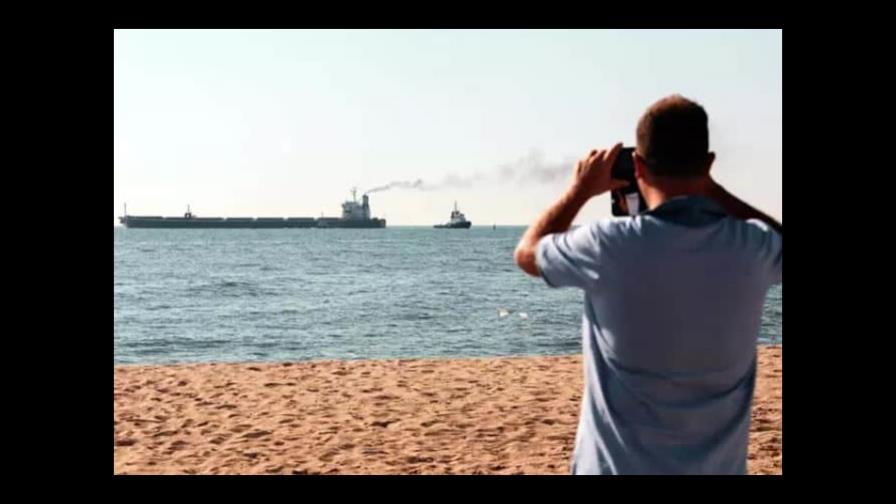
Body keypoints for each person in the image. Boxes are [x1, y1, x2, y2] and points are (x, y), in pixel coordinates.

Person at [513, 95, 782, 474]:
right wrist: (710, 189)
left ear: (638, 166)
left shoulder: (607, 246)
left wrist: (580, 190)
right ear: (708, 164)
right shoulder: (751, 247)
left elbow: (528, 254)